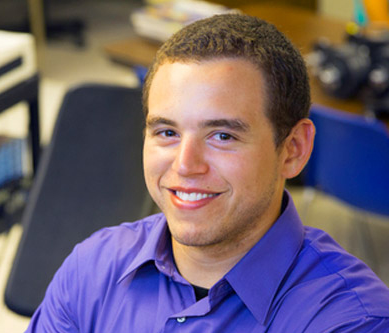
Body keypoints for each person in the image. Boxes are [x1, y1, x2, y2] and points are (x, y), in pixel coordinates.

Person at [26, 14, 389, 332]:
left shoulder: (353, 322)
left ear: (293, 149)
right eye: (167, 132)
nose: (185, 165)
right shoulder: (92, 269)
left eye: (222, 136)